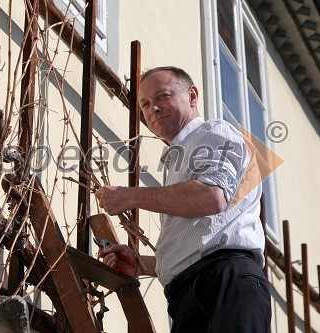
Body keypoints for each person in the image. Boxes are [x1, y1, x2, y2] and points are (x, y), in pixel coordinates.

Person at [95, 66, 271, 333]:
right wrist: (141, 264)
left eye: (162, 96)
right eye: (145, 104)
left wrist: (129, 196)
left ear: (192, 96)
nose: (153, 108)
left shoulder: (213, 132)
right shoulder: (181, 157)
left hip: (221, 285)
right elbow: (201, 242)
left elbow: (212, 197)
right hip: (200, 290)